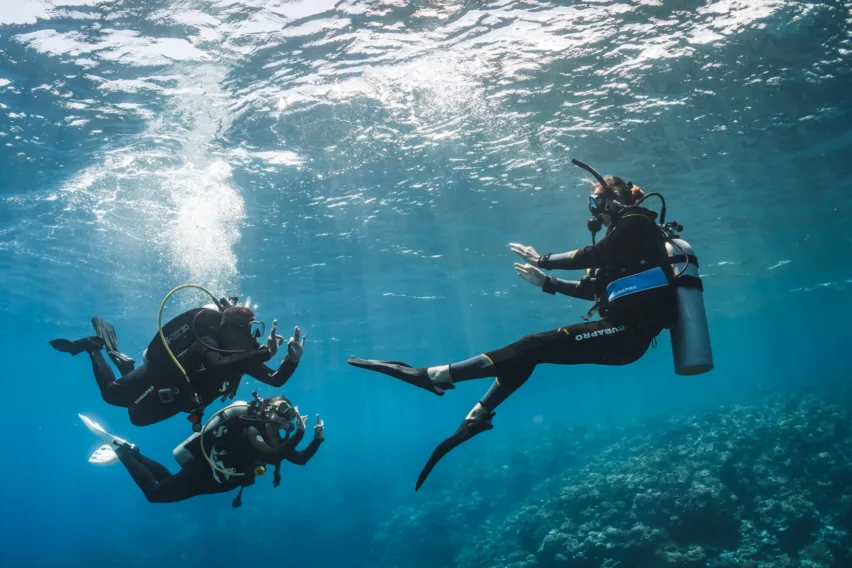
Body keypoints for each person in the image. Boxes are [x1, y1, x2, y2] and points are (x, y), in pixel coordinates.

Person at [349, 161, 698, 491]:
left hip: (628, 334)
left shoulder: (636, 222)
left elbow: (594, 256)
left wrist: (543, 258)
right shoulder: (626, 243)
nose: (594, 213)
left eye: (595, 203)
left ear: (612, 199)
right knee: (530, 354)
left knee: (533, 344)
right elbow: (593, 288)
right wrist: (546, 282)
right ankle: (477, 416)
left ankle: (435, 376)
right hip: (620, 331)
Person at [51, 304, 305, 429]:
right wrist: (262, 352)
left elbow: (275, 379)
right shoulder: (207, 342)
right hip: (158, 378)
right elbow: (216, 366)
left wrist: (291, 360)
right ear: (231, 329)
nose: (255, 338)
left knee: (136, 418)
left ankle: (125, 364)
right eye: (252, 331)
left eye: (257, 332)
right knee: (111, 395)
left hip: (179, 397)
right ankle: (94, 349)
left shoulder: (241, 354)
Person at [94, 395, 325, 507]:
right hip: (202, 474)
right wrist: (299, 434)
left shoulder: (276, 442)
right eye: (281, 409)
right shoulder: (252, 430)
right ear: (266, 409)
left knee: (166, 481)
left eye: (289, 413)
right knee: (155, 494)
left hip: (213, 482)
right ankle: (123, 451)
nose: (285, 415)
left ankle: (133, 452)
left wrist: (317, 439)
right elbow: (273, 456)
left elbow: (301, 459)